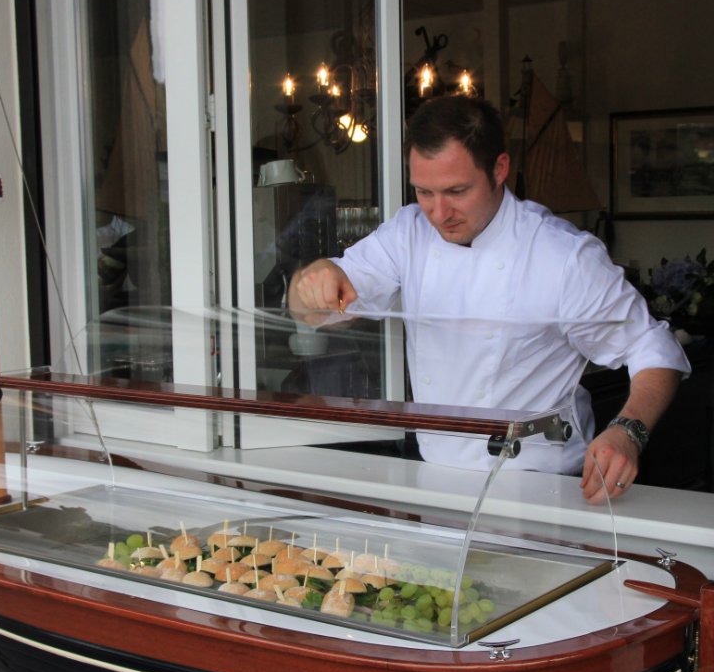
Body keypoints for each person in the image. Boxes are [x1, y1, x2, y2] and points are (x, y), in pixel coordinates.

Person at [289, 96, 690, 503]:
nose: (439, 213)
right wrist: (314, 281)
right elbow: (311, 309)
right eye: (424, 192)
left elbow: (653, 347)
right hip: (435, 479)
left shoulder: (563, 256)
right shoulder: (407, 234)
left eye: (457, 191)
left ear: (499, 169)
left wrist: (628, 431)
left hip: (542, 487)